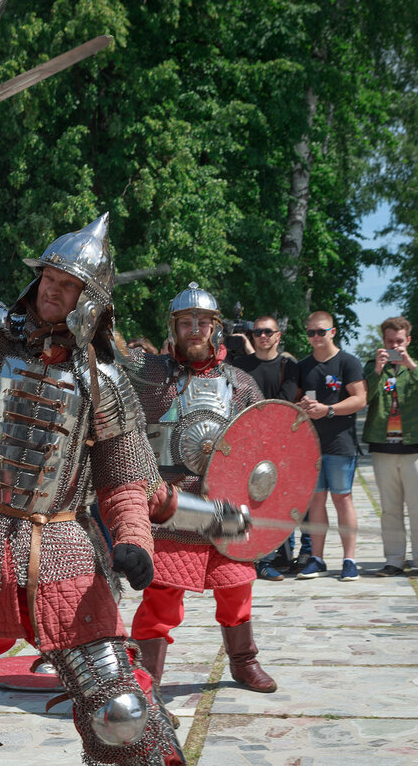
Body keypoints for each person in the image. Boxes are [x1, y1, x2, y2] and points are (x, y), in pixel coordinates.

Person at [0, 206, 241, 765]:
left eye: (68, 286)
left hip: (58, 550)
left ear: (92, 303)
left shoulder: (104, 382)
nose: (52, 292)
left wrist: (133, 537)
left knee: (120, 716)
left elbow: (127, 476)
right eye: (49, 279)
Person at [124, 283, 277, 694]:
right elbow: (123, 429)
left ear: (216, 328)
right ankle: (146, 681)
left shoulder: (241, 383)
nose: (195, 329)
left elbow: (261, 449)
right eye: (186, 322)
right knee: (161, 598)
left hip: (224, 507)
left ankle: (244, 664)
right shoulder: (148, 377)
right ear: (172, 328)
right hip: (172, 505)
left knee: (237, 588)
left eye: (203, 322)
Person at [361, 317, 418, 577]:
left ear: (408, 340)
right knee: (390, 509)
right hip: (383, 447)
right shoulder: (373, 368)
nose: (395, 345)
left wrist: (411, 365)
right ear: (383, 341)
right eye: (389, 341)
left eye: (399, 341)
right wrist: (376, 371)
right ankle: (394, 560)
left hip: (414, 446)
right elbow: (364, 399)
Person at [296, 311, 368, 580]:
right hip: (310, 446)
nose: (316, 337)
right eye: (311, 332)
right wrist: (302, 407)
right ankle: (317, 558)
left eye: (321, 332)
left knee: (342, 499)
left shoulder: (348, 362)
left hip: (340, 443)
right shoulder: (303, 366)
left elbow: (360, 399)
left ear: (333, 332)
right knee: (315, 501)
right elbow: (292, 400)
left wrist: (327, 409)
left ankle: (349, 560)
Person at [232, 315, 300, 580]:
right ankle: (254, 556)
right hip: (246, 442)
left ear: (278, 336)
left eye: (268, 332)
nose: (263, 336)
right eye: (258, 332)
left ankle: (276, 556)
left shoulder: (288, 366)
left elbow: (283, 403)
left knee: (278, 500)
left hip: (279, 442)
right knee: (249, 501)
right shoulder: (239, 366)